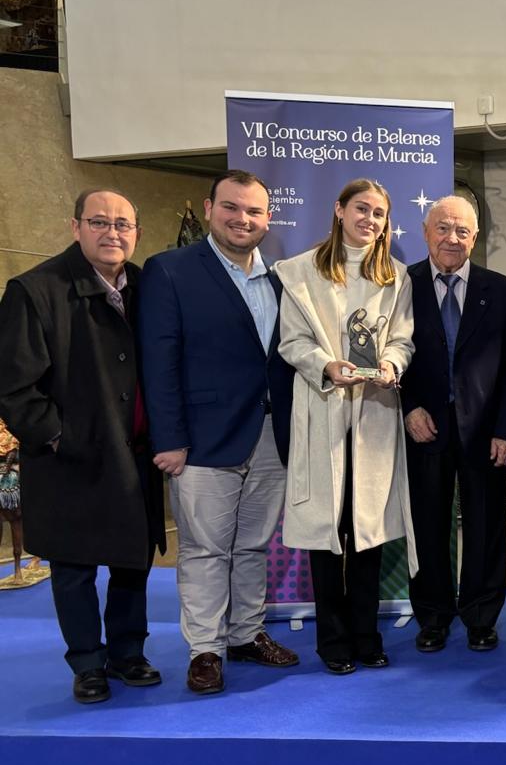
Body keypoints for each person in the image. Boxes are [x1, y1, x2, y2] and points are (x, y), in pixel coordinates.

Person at [0, 189, 166, 704]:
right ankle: (87, 663)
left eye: (122, 224)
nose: (111, 232)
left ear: (136, 233)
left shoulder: (147, 286)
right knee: (73, 568)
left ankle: (127, 653)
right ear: (76, 227)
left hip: (135, 455)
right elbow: (13, 385)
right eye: (99, 221)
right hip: (68, 459)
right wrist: (57, 437)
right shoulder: (34, 289)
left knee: (132, 562)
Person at [139, 170, 298, 695]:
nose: (242, 219)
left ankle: (245, 634)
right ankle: (205, 649)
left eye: (253, 211)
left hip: (272, 435)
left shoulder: (282, 279)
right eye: (231, 207)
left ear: (267, 218)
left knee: (253, 546)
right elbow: (159, 363)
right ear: (209, 209)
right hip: (202, 441)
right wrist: (167, 438)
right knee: (206, 549)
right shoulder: (171, 270)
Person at [275, 178, 416, 674]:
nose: (370, 221)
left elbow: (402, 339)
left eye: (379, 214)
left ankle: (366, 634)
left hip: (374, 413)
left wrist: (393, 365)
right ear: (338, 210)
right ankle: (332, 641)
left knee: (366, 532)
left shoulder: (396, 276)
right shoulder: (299, 273)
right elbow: (291, 341)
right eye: (362, 209)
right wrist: (325, 365)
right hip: (323, 407)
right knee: (327, 531)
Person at [402, 195, 506, 652]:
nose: (451, 238)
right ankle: (433, 617)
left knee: (485, 527)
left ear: (475, 237)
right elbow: (385, 358)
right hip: (423, 427)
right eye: (443, 228)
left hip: (485, 432)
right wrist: (407, 407)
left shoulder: (504, 292)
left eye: (462, 231)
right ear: (425, 232)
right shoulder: (400, 286)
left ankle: (481, 617)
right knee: (428, 525)